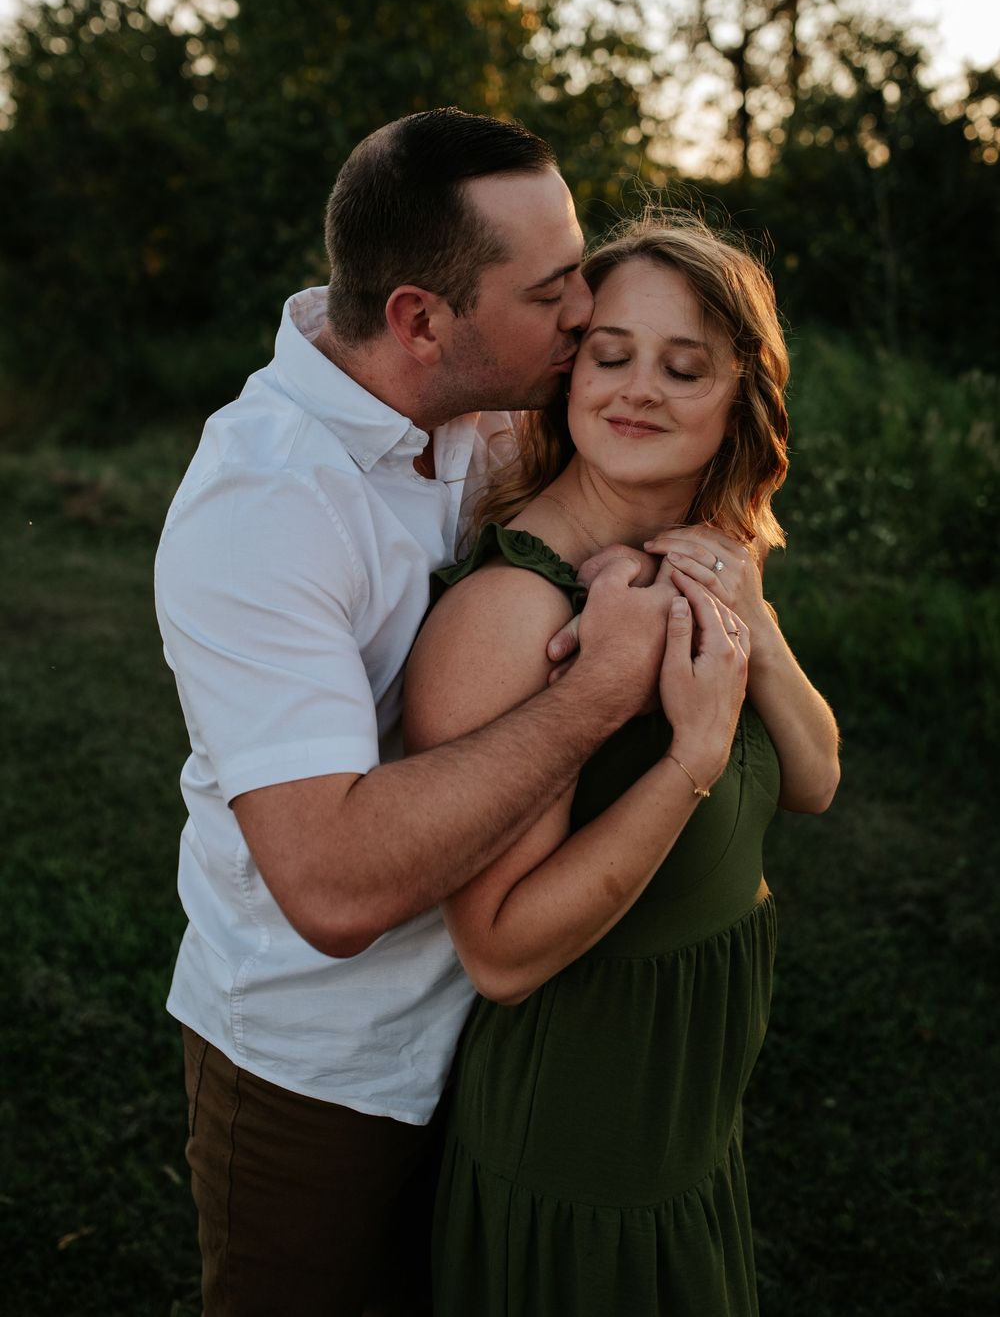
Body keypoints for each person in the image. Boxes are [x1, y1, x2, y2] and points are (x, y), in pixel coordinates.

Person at [153, 110, 685, 1317]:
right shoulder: (262, 509)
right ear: (418, 318)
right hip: (318, 1073)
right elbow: (332, 887)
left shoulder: (483, 403)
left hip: (497, 1035)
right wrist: (597, 694)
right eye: (553, 289)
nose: (586, 312)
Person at [404, 214, 841, 1316]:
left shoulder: (707, 551)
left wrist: (751, 615)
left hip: (688, 1124)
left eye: (683, 366)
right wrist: (687, 755)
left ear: (742, 392)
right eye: (610, 355)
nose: (638, 388)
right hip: (581, 1131)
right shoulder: (513, 611)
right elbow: (498, 952)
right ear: (568, 373)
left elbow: (814, 777)